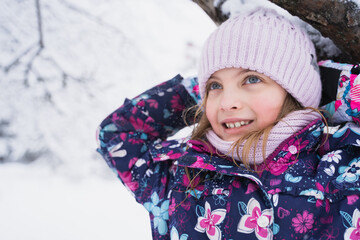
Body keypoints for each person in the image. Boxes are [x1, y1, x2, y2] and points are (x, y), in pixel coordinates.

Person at [97, 7, 360, 240]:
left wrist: (329, 88)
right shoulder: (183, 176)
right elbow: (117, 134)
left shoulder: (340, 171)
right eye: (215, 86)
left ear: (294, 91)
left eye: (252, 79)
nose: (227, 102)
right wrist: (195, 93)